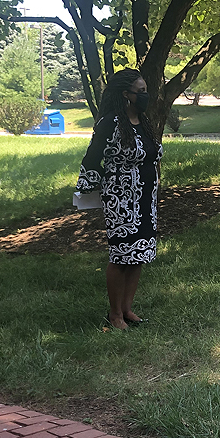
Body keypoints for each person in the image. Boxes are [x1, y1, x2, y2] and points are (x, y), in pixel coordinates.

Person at [77, 69, 162, 330]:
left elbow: (153, 156)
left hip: (146, 199)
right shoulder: (110, 123)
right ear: (126, 94)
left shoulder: (144, 123)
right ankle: (114, 314)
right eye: (141, 91)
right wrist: (95, 189)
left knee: (139, 255)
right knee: (121, 255)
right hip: (121, 200)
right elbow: (92, 159)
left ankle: (127, 309)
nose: (146, 96)